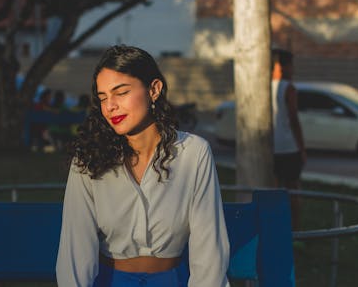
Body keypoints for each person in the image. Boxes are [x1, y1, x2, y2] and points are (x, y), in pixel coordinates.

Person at [56, 45, 230, 286]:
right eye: (103, 97)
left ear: (154, 89)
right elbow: (75, 248)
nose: (110, 106)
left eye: (121, 92)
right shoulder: (89, 159)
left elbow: (209, 247)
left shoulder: (193, 153)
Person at [271, 48, 307, 231]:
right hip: (288, 147)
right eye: (291, 65)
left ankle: (276, 229)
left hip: (270, 147)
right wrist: (302, 148)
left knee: (274, 190)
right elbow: (293, 119)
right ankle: (295, 231)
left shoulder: (262, 86)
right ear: (284, 66)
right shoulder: (289, 88)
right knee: (293, 191)